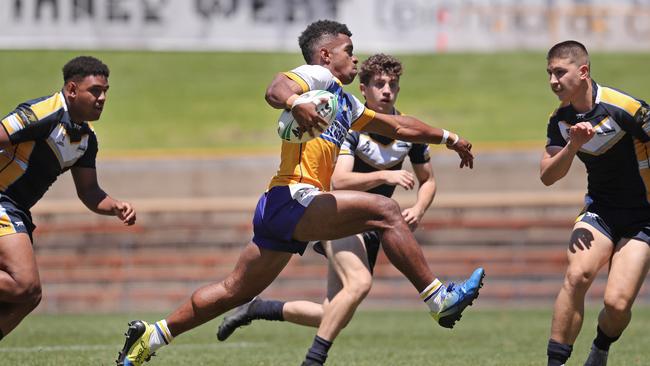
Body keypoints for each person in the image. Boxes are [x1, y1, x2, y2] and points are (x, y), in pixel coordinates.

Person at [116, 20, 484, 366]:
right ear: (326, 55)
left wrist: (449, 138)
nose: (354, 57)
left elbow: (399, 126)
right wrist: (295, 102)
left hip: (280, 204)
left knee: (234, 290)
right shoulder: (316, 76)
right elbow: (275, 89)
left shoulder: (345, 101)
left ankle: (152, 336)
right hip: (295, 197)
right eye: (348, 49)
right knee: (386, 210)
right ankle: (438, 297)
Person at [215, 53, 441, 362]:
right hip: (341, 215)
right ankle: (314, 359)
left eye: (393, 84)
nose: (386, 90)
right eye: (379, 84)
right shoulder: (350, 123)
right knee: (359, 284)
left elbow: (427, 180)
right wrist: (385, 175)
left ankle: (259, 308)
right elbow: (341, 180)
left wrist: (419, 208)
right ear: (364, 89)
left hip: (375, 224)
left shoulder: (407, 134)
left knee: (332, 310)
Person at [0, 56, 136, 341]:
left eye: (105, 91)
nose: (102, 98)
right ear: (72, 89)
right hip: (2, 201)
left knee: (28, 296)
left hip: (16, 209)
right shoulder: (43, 113)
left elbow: (89, 192)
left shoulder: (86, 139)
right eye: (95, 90)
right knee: (24, 284)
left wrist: (115, 207)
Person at [542, 40, 650, 366]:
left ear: (583, 71)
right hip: (600, 210)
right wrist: (572, 146)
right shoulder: (560, 119)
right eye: (549, 73)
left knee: (617, 305)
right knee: (577, 276)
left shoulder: (625, 108)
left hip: (643, 217)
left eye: (560, 72)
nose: (552, 81)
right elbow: (548, 175)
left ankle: (600, 348)